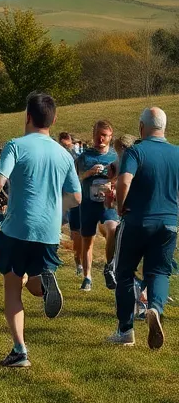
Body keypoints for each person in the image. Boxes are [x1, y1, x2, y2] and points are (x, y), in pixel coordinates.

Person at [0, 92, 80, 368]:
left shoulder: (16, 145)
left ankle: (20, 350)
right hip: (49, 230)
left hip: (17, 226)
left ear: (28, 117)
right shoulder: (64, 154)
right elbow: (77, 198)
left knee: (13, 287)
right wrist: (55, 208)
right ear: (52, 120)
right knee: (33, 282)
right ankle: (44, 280)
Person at [107, 107, 179, 350]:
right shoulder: (177, 153)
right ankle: (155, 309)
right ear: (164, 127)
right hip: (169, 222)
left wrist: (120, 206)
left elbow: (124, 181)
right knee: (160, 272)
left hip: (137, 220)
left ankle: (125, 329)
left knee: (124, 273)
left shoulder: (136, 151)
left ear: (141, 127)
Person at [73, 121, 118, 292]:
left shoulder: (115, 156)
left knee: (112, 228)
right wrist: (89, 173)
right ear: (93, 135)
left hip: (108, 204)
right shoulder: (84, 157)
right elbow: (76, 179)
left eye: (104, 135)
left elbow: (122, 179)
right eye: (98, 134)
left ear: (110, 137)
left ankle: (109, 268)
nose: (101, 138)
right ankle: (87, 277)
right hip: (89, 205)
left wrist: (112, 184)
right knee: (87, 240)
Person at [101, 133, 134, 290]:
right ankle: (111, 267)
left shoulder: (120, 162)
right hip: (128, 212)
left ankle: (111, 267)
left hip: (127, 211)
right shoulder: (117, 164)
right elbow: (110, 185)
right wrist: (110, 191)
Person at [58, 131, 83, 275]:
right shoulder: (58, 156)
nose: (65, 144)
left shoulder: (78, 157)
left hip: (75, 198)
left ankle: (79, 263)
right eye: (62, 143)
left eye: (67, 142)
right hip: (62, 198)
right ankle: (53, 256)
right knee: (58, 227)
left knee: (77, 233)